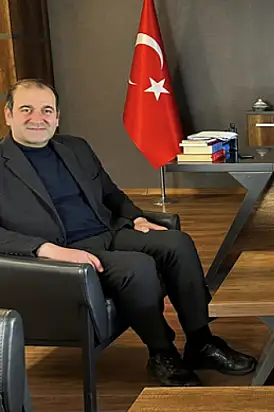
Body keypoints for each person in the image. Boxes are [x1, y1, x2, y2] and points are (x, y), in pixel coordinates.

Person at [0, 79, 257, 387]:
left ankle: (201, 341)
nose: (37, 118)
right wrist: (45, 249)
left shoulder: (75, 147)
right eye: (26, 109)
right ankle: (161, 353)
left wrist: (136, 218)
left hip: (107, 231)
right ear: (8, 115)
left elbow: (111, 193)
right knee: (138, 267)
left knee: (177, 243)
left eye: (46, 110)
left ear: (57, 117)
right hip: (64, 251)